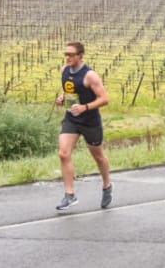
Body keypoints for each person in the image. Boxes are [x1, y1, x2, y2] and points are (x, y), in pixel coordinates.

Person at [55, 41, 113, 212]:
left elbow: (104, 99)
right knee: (63, 153)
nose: (68, 58)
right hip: (72, 118)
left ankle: (107, 185)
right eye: (66, 54)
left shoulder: (90, 76)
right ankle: (70, 194)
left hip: (90, 120)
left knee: (99, 157)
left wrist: (84, 107)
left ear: (81, 56)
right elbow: (69, 90)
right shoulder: (64, 70)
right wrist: (61, 98)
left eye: (71, 55)